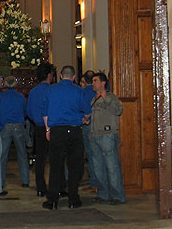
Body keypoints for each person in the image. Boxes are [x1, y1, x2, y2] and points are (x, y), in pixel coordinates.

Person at [42, 65, 90, 210]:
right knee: (75, 166)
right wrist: (84, 119)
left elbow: (45, 113)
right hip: (74, 131)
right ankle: (73, 200)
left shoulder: (51, 90)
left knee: (55, 166)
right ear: (74, 77)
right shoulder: (78, 90)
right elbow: (87, 111)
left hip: (57, 131)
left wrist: (47, 129)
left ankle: (53, 200)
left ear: (61, 76)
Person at [89, 72, 126, 205]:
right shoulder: (94, 99)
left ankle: (117, 196)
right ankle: (103, 194)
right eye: (92, 81)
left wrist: (106, 99)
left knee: (112, 167)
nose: (93, 83)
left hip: (107, 136)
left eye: (95, 81)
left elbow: (118, 110)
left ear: (103, 82)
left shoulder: (111, 97)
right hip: (95, 136)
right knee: (98, 168)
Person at [27, 62, 63, 197]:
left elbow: (29, 111)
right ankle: (58, 186)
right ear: (49, 75)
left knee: (40, 159)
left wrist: (37, 120)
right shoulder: (53, 90)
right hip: (53, 127)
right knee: (56, 158)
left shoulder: (33, 91)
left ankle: (41, 187)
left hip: (38, 127)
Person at [0, 75, 30, 189]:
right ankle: (25, 180)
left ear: (5, 84)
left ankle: (1, 182)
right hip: (18, 125)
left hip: (6, 125)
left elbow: (0, 112)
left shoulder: (1, 97)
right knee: (22, 154)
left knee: (3, 155)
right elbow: (24, 111)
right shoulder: (20, 97)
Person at [79, 70, 99, 192]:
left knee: (91, 156)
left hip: (87, 125)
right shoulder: (99, 91)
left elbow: (82, 108)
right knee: (98, 155)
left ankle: (94, 183)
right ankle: (99, 183)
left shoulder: (84, 92)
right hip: (99, 126)